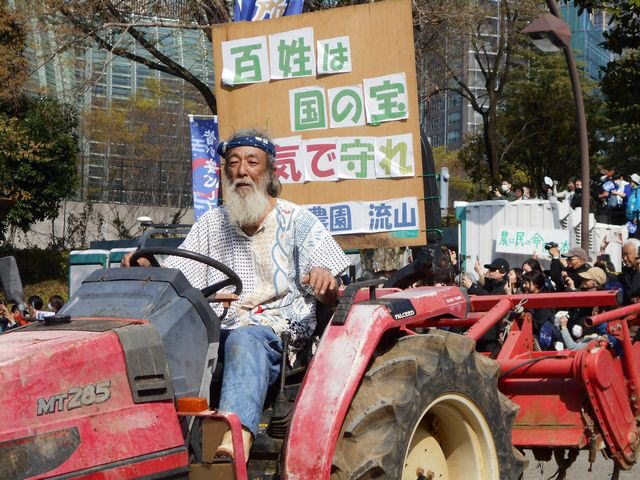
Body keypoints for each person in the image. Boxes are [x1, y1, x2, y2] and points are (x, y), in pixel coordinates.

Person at [122, 128, 350, 461]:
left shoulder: (298, 222)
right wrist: (148, 265)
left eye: (252, 162)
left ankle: (234, 443)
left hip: (277, 332)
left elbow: (332, 288)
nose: (241, 170)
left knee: (244, 339)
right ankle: (150, 443)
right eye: (233, 163)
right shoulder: (210, 223)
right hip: (217, 329)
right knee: (157, 340)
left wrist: (325, 280)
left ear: (269, 172)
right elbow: (178, 278)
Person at [626, 173, 640, 238]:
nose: (629, 182)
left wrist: (636, 217)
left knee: (636, 238)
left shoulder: (638, 190)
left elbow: (638, 204)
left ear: (635, 181)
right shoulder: (633, 190)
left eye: (631, 180)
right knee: (631, 237)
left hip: (636, 218)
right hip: (631, 217)